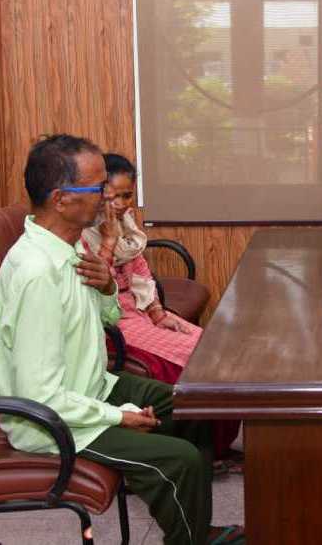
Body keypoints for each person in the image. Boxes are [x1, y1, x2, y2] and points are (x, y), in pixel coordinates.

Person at [0, 134, 244, 545]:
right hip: (54, 423)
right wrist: (117, 416)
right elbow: (40, 396)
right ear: (61, 199)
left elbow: (107, 318)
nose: (108, 198)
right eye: (97, 188)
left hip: (90, 386)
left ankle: (194, 529)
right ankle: (191, 536)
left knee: (192, 404)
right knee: (179, 460)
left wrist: (107, 287)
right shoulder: (38, 273)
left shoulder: (69, 248)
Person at [81, 153, 242, 471]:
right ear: (97, 194)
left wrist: (157, 312)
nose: (121, 205)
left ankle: (218, 446)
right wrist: (109, 242)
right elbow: (95, 293)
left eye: (127, 195)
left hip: (138, 311)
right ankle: (205, 450)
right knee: (195, 363)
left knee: (218, 350)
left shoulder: (125, 224)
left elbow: (141, 270)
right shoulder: (83, 233)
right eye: (112, 197)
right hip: (111, 322)